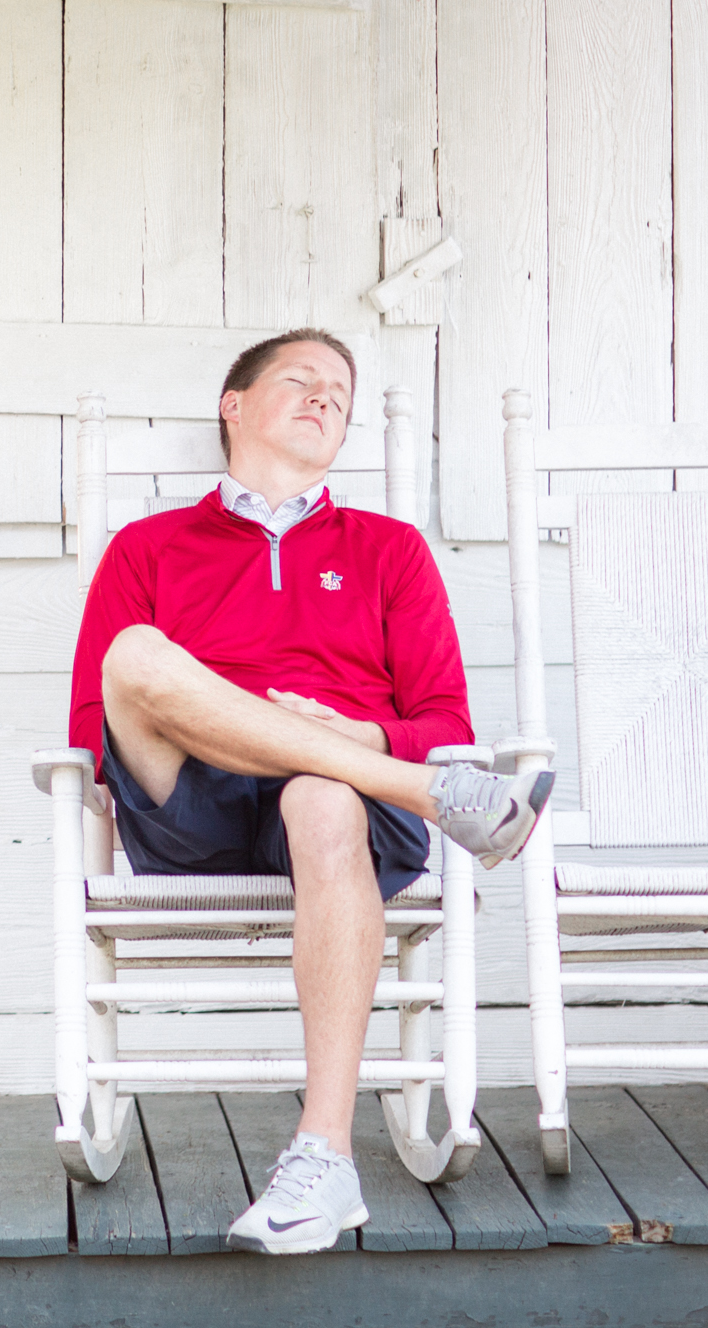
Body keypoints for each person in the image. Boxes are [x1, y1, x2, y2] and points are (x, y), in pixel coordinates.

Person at [65, 329, 552, 1255]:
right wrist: (264, 728)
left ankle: (324, 1156)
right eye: (301, 379)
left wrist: (350, 739)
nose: (326, 396)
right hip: (193, 802)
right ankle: (435, 795)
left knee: (322, 798)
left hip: (344, 814)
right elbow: (97, 723)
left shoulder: (390, 550)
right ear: (234, 405)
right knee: (136, 654)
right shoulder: (148, 548)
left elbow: (444, 720)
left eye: (340, 392)